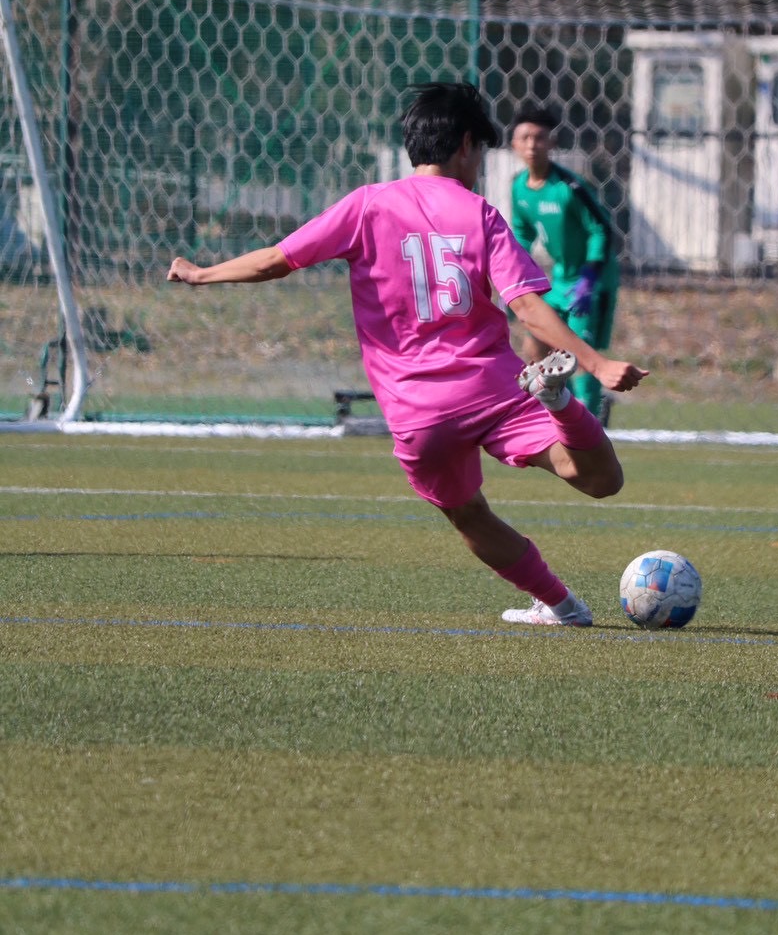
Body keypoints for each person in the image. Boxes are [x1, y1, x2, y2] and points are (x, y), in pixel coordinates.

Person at [167, 81, 648, 622]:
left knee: (468, 514)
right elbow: (528, 307)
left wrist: (202, 273)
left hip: (417, 411)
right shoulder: (480, 213)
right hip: (492, 388)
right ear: (465, 145)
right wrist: (596, 363)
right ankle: (559, 404)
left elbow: (276, 260)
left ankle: (561, 606)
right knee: (601, 480)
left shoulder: (366, 206)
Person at [510, 106, 620, 422]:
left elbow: (601, 229)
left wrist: (589, 278)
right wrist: (513, 276)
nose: (532, 145)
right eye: (525, 138)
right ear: (514, 144)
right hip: (560, 280)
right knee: (536, 344)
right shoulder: (519, 187)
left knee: (580, 352)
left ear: (552, 143)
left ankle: (591, 420)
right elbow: (522, 232)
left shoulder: (569, 187)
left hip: (591, 279)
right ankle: (567, 412)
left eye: (539, 138)